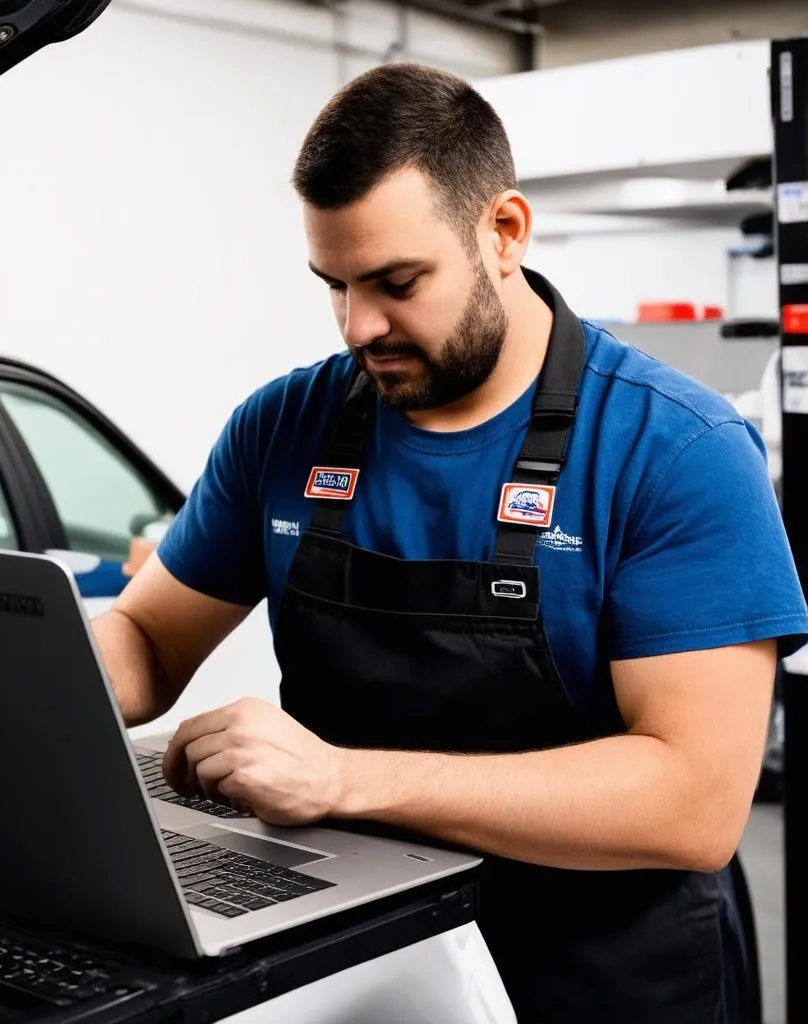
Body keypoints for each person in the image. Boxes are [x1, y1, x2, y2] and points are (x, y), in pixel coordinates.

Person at [92, 63, 808, 1023]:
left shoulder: (673, 450)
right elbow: (147, 639)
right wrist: (20, 683)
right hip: (361, 969)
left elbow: (694, 801)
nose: (359, 327)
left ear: (503, 232)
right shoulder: (284, 428)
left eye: (396, 283)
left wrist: (343, 777)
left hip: (598, 976)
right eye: (334, 286)